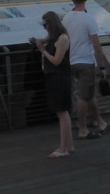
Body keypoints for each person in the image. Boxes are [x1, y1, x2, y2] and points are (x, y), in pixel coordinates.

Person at [62, 0, 110, 139]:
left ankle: (100, 121)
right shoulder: (88, 18)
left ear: (73, 1)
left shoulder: (66, 18)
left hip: (71, 61)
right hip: (85, 61)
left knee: (88, 93)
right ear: (86, 0)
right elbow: (96, 44)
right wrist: (102, 65)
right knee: (83, 96)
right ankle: (82, 129)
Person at [29, 11, 74, 158]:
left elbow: (56, 60)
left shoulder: (62, 38)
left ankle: (63, 148)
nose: (44, 28)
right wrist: (36, 41)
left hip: (60, 77)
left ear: (50, 24)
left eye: (45, 25)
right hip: (54, 77)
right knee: (61, 111)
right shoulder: (53, 36)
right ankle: (69, 145)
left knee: (62, 112)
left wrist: (43, 51)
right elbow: (42, 40)